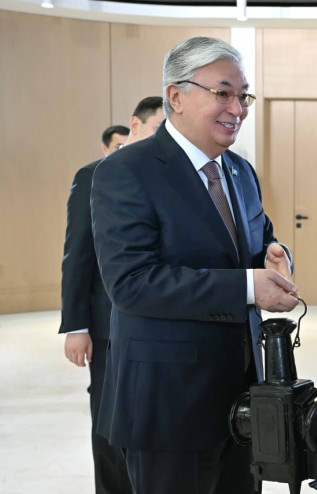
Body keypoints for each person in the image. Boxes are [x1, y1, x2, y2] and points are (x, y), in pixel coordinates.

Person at [90, 37, 299, 494]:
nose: (237, 109)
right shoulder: (127, 170)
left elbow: (261, 239)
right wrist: (248, 287)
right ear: (176, 96)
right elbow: (131, 283)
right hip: (168, 404)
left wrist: (276, 255)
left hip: (244, 398)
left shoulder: (240, 171)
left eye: (243, 95)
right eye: (222, 93)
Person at [60, 96, 164, 494]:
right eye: (157, 130)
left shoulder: (165, 175)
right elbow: (77, 254)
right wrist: (76, 326)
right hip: (107, 325)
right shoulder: (94, 175)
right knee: (108, 421)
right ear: (135, 126)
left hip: (156, 323)